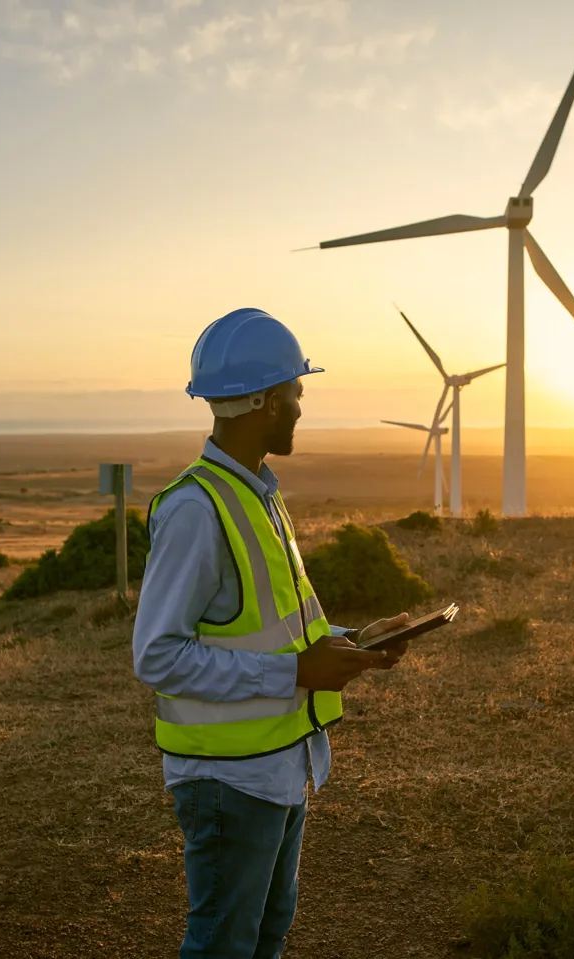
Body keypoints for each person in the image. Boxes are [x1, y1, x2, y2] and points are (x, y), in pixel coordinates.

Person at [133, 307, 411, 959]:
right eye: (295, 392)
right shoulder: (196, 509)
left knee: (263, 939)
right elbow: (156, 655)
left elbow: (276, 626)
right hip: (228, 780)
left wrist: (356, 638)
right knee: (223, 945)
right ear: (261, 400)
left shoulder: (256, 494)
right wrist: (293, 674)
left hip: (280, 764)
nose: (300, 408)